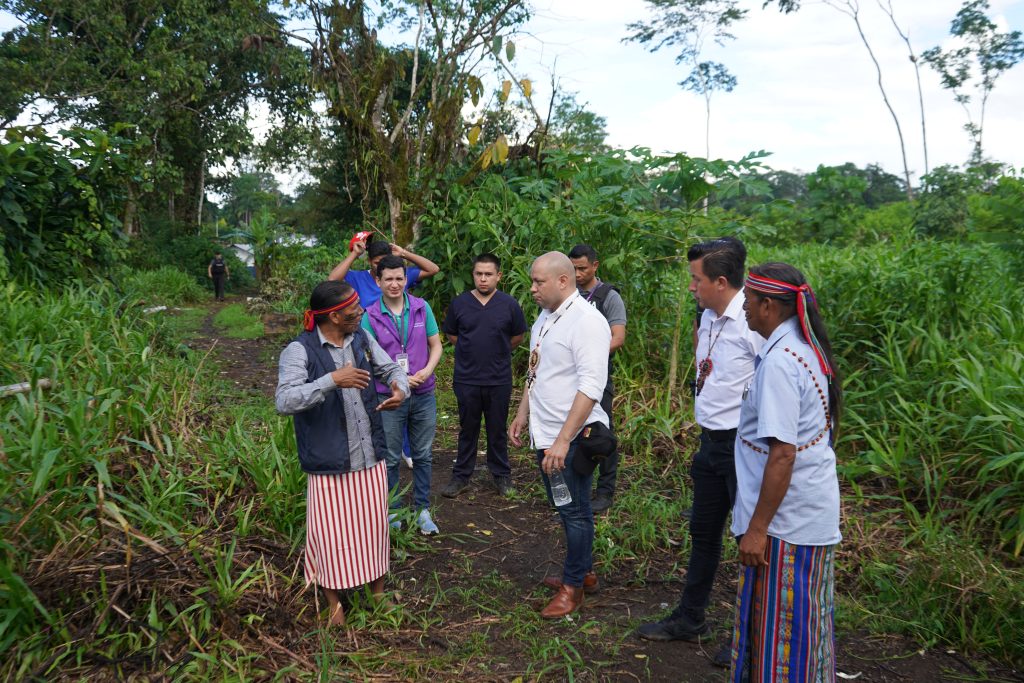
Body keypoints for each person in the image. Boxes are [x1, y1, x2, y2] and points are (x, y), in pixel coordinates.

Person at [637, 237, 763, 671]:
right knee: (703, 534)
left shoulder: (753, 323)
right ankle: (691, 618)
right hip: (711, 442)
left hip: (743, 447)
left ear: (721, 281)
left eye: (696, 280)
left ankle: (751, 639)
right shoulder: (707, 316)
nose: (691, 287)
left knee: (749, 542)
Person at [729, 262, 843, 681]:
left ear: (768, 306)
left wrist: (757, 529)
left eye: (748, 301)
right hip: (802, 513)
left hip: (786, 523)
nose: (742, 308)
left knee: (784, 634)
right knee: (798, 628)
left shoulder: (781, 362)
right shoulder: (800, 346)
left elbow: (783, 454)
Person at [275, 280, 408, 626]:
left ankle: (376, 594)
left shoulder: (360, 338)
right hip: (329, 461)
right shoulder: (299, 350)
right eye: (353, 311)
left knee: (373, 528)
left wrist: (400, 388)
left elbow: (391, 367)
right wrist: (332, 379)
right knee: (330, 535)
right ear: (333, 316)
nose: (361, 313)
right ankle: (334, 605)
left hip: (368, 455)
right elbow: (284, 400)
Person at [510, 252, 610, 619]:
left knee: (575, 511)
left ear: (563, 281)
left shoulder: (587, 322)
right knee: (568, 507)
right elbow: (536, 369)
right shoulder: (546, 317)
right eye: (533, 281)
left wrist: (564, 441)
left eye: (539, 282)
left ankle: (574, 588)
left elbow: (591, 386)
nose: (532, 288)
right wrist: (523, 412)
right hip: (545, 430)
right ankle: (581, 572)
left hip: (570, 437)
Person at [361, 255, 443, 535]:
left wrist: (426, 372)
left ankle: (422, 510)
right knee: (392, 456)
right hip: (390, 397)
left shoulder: (421, 308)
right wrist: (398, 379)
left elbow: (436, 346)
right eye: (388, 279)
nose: (394, 284)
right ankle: (393, 510)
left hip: (423, 392)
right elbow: (370, 359)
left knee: (422, 454)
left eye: (399, 278)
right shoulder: (369, 316)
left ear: (405, 279)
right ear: (377, 281)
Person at [441, 253, 527, 498]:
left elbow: (517, 337)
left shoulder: (509, 304)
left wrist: (497, 351)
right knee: (467, 428)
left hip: (498, 378)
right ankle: (461, 476)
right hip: (467, 378)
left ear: (498, 276)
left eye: (488, 274)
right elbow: (453, 335)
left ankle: (501, 475)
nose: (483, 279)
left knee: (497, 429)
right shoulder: (460, 304)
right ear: (473, 275)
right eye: (479, 274)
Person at [568, 244, 627, 513]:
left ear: (595, 266)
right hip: (569, 377)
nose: (577, 274)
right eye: (573, 269)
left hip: (598, 375)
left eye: (582, 268)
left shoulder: (608, 297)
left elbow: (618, 338)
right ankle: (574, 482)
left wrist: (588, 355)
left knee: (601, 432)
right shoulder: (567, 295)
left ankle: (605, 490)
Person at [329, 235, 440, 308]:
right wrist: (354, 254)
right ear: (369, 261)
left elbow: (433, 269)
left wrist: (403, 253)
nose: (381, 266)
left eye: (385, 261)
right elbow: (332, 280)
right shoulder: (358, 278)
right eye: (377, 263)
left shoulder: (400, 275)